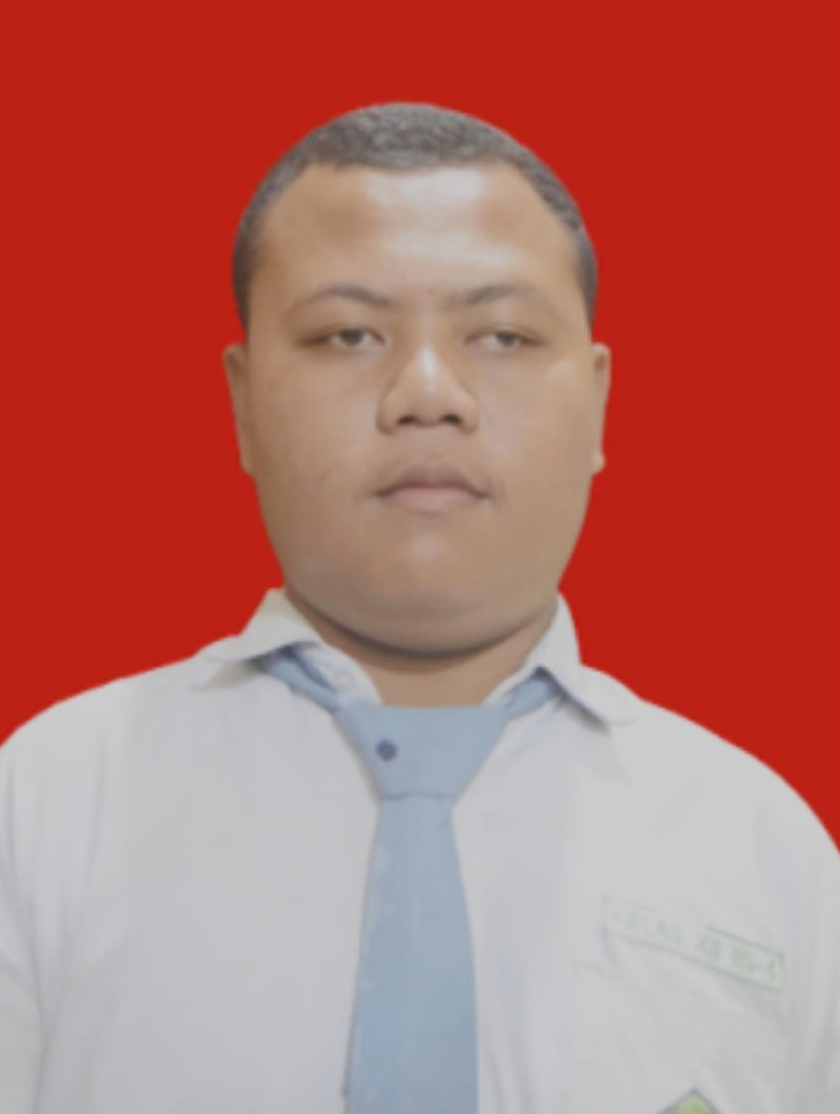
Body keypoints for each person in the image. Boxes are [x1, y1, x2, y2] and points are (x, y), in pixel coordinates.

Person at [0, 102, 837, 1114]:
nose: (429, 392)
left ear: (599, 401)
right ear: (242, 402)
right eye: (348, 334)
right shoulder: (46, 807)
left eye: (503, 334)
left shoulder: (764, 850)